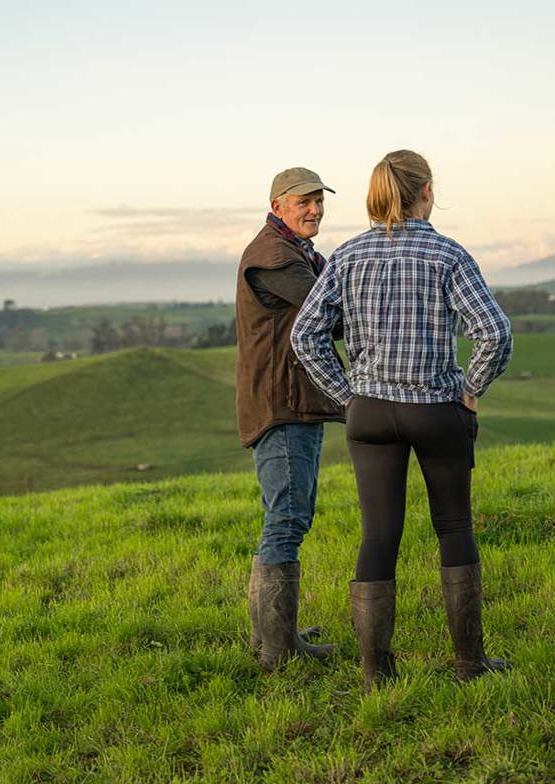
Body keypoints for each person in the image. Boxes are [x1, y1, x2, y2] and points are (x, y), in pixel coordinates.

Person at [290, 149, 513, 690]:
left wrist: (348, 395)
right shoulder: (447, 254)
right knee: (454, 527)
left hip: (368, 412)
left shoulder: (347, 256)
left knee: (379, 534)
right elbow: (495, 333)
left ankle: (376, 675)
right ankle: (469, 663)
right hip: (435, 408)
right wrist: (469, 391)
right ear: (426, 192)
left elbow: (305, 335)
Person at [235, 167, 346, 671]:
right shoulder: (274, 256)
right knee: (287, 518)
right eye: (304, 202)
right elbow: (329, 311)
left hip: (292, 399)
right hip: (282, 404)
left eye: (319, 201)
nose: (315, 210)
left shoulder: (294, 252)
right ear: (277, 205)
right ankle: (278, 650)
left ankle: (273, 637)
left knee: (284, 516)